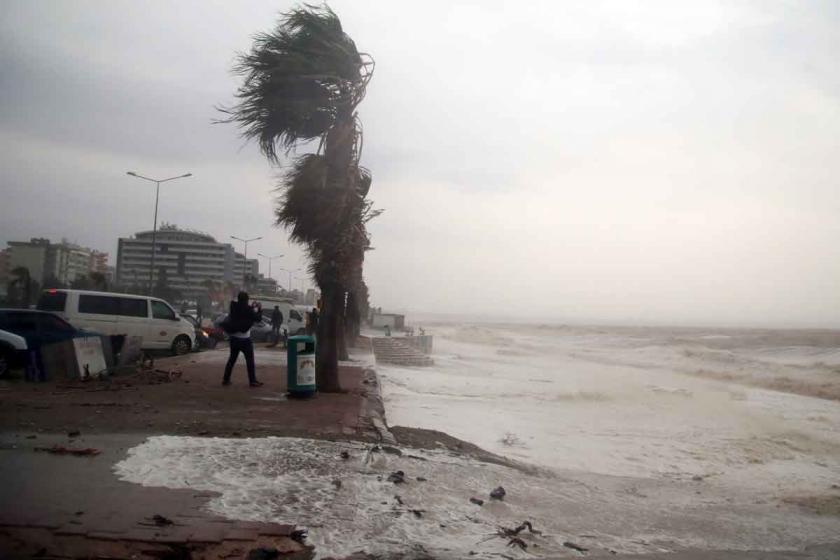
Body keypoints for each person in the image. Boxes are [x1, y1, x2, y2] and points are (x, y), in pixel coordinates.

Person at [222, 291, 263, 387]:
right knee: (250, 361)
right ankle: (252, 381)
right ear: (246, 300)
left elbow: (243, 311)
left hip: (234, 338)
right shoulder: (248, 310)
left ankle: (225, 379)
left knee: (231, 360)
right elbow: (258, 318)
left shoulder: (234, 307)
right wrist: (260, 309)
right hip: (245, 340)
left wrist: (251, 307)